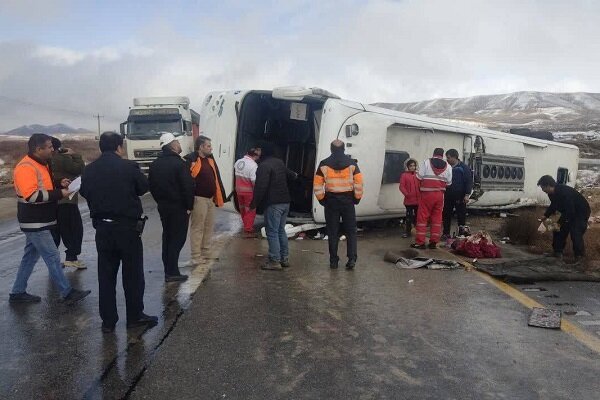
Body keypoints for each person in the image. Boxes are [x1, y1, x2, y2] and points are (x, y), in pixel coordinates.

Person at [80, 132, 157, 333]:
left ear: (101, 148)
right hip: (127, 229)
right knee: (132, 275)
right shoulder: (128, 167)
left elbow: (84, 192)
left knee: (106, 276)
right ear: (119, 147)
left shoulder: (89, 170)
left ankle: (108, 321)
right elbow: (142, 188)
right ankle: (134, 317)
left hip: (103, 229)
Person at [9, 133, 91, 304]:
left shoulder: (41, 164)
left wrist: (59, 183)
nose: (52, 149)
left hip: (41, 220)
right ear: (38, 149)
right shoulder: (26, 167)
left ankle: (17, 292)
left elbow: (44, 186)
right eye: (49, 147)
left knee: (30, 256)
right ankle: (67, 292)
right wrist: (59, 193)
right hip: (34, 221)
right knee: (52, 256)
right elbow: (32, 195)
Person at [149, 132, 195, 282]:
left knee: (167, 237)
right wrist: (189, 206)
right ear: (173, 145)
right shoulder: (179, 164)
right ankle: (172, 271)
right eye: (178, 142)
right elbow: (187, 187)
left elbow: (152, 187)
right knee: (177, 239)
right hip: (179, 208)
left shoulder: (155, 164)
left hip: (163, 206)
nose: (180, 145)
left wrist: (161, 201)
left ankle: (168, 269)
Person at [313, 139, 363, 269]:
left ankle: (333, 261)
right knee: (351, 231)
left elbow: (317, 185)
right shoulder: (352, 164)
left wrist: (322, 199)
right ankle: (351, 259)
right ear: (344, 149)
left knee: (332, 231)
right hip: (348, 201)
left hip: (331, 201)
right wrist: (356, 198)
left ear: (331, 149)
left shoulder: (324, 165)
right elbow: (359, 183)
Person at [250, 143, 297, 271]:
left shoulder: (264, 166)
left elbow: (261, 187)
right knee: (280, 230)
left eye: (259, 149)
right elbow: (291, 175)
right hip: (285, 202)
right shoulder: (278, 162)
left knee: (272, 232)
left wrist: (254, 203)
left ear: (264, 151)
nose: (257, 152)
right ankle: (284, 258)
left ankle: (274, 260)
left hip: (273, 203)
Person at [184, 135, 227, 266]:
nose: (211, 148)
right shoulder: (191, 160)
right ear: (201, 147)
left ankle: (206, 252)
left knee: (208, 226)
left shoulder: (210, 160)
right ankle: (196, 256)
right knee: (198, 227)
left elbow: (216, 178)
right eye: (208, 146)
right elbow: (186, 180)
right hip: (198, 199)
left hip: (210, 199)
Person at [49, 137, 86, 269]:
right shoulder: (61, 158)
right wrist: (74, 155)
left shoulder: (44, 161)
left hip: (51, 200)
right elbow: (79, 169)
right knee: (73, 229)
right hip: (66, 199)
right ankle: (71, 257)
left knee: (55, 232)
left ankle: (53, 261)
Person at [538, 175, 591, 263]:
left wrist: (561, 221)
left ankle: (580, 257)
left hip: (580, 212)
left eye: (543, 187)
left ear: (548, 185)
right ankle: (557, 252)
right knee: (555, 227)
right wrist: (546, 215)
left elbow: (570, 210)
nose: (543, 190)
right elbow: (554, 205)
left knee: (575, 231)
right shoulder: (551, 193)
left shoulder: (564, 192)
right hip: (565, 210)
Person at [411, 148, 452, 249]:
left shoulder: (426, 162)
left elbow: (419, 177)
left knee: (422, 218)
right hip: (440, 195)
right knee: (437, 218)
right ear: (442, 155)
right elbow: (449, 183)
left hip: (426, 194)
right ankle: (433, 242)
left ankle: (420, 242)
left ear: (433, 153)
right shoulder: (449, 166)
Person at [442, 149, 473, 239]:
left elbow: (468, 181)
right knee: (446, 214)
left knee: (461, 215)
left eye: (448, 158)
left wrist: (467, 194)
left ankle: (461, 234)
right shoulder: (446, 167)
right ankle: (446, 233)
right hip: (448, 195)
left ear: (454, 157)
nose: (447, 159)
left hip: (460, 196)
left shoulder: (463, 167)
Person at [234, 147, 261, 238]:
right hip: (248, 192)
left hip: (238, 190)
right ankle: (248, 228)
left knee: (242, 208)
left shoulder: (238, 162)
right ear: (255, 156)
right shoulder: (253, 165)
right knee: (250, 210)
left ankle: (245, 224)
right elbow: (253, 180)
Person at [399, 158, 419, 238]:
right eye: (411, 166)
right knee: (408, 217)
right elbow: (401, 186)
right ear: (407, 166)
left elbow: (421, 184)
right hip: (409, 201)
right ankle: (408, 232)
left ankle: (418, 231)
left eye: (414, 166)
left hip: (418, 201)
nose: (412, 167)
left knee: (418, 217)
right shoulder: (404, 175)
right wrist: (407, 194)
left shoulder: (418, 175)